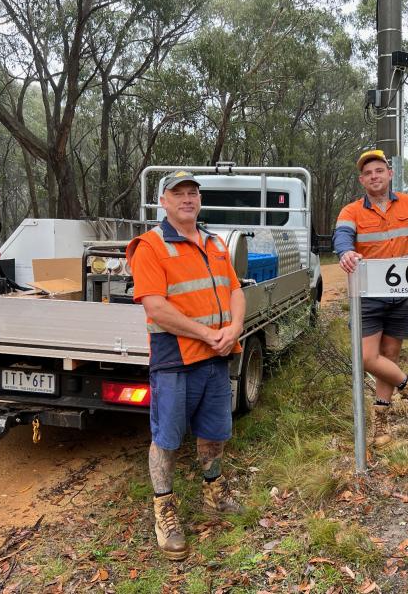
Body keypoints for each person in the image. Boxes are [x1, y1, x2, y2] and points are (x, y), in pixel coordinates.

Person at [127, 170, 246, 561]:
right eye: (178, 193)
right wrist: (207, 334)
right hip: (175, 358)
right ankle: (164, 511)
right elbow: (155, 307)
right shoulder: (150, 246)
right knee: (167, 438)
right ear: (163, 201)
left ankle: (215, 492)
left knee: (214, 431)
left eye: (193, 192)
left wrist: (235, 327)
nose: (187, 198)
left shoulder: (213, 243)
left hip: (217, 353)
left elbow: (234, 290)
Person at [333, 149, 408, 449]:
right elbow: (342, 236)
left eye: (379, 170)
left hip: (403, 294)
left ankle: (381, 424)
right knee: (366, 358)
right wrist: (346, 251)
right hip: (369, 294)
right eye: (368, 173)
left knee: (388, 356)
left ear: (389, 174)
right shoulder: (351, 211)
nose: (374, 176)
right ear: (362, 180)